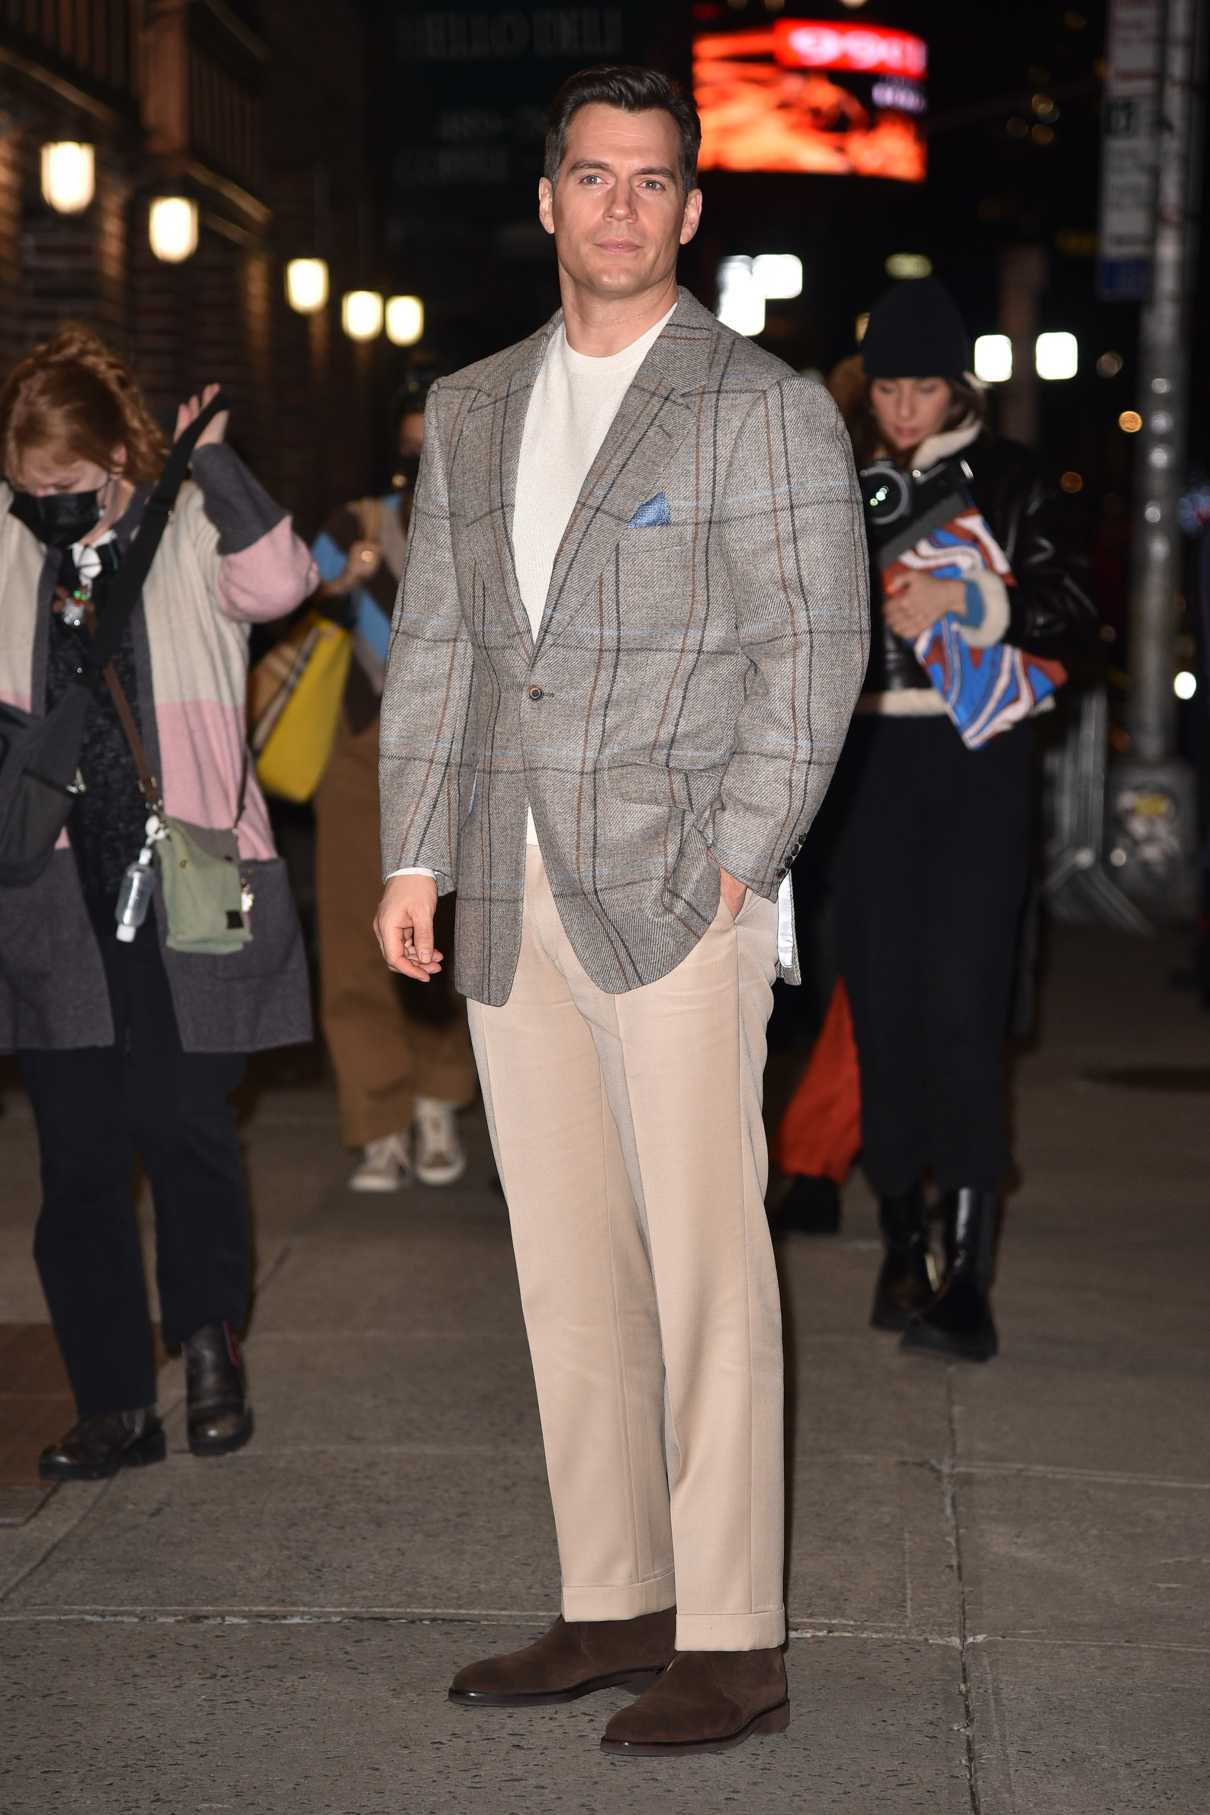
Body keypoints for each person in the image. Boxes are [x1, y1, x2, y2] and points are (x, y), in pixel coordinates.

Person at [374, 66, 868, 1756]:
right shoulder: (477, 404)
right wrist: (414, 858)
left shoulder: (759, 406)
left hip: (676, 899)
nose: (619, 208)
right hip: (508, 896)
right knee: (566, 1266)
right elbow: (437, 646)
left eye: (652, 183)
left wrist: (736, 862)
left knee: (709, 1268)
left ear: (690, 212)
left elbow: (812, 658)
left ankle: (733, 1634)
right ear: (547, 199)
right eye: (592, 177)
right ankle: (613, 1599)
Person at [0, 326, 315, 1479]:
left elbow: (284, 579)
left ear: (118, 461)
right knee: (78, 1157)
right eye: (28, 489)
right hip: (56, 893)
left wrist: (212, 464)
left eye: (68, 488)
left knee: (187, 1130)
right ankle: (113, 1404)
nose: (48, 507)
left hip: (192, 872)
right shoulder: (10, 548)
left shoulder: (183, 531)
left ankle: (210, 1343)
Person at [834, 278, 1095, 1361]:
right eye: (887, 387)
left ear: (958, 385)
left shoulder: (1011, 479)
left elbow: (1078, 612)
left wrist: (967, 601)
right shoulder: (838, 485)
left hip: (977, 758)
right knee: (881, 1010)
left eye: (923, 387)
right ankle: (905, 1238)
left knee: (961, 1007)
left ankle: (969, 1276)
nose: (903, 408)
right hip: (863, 766)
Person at [311, 385, 476, 1192]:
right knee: (350, 932)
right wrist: (343, 582)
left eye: (433, 445)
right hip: (361, 743)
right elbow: (287, 588)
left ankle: (441, 1099)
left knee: (443, 935)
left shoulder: (489, 523)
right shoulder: (358, 522)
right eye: (409, 448)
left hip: (457, 752)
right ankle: (377, 1117)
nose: (421, 463)